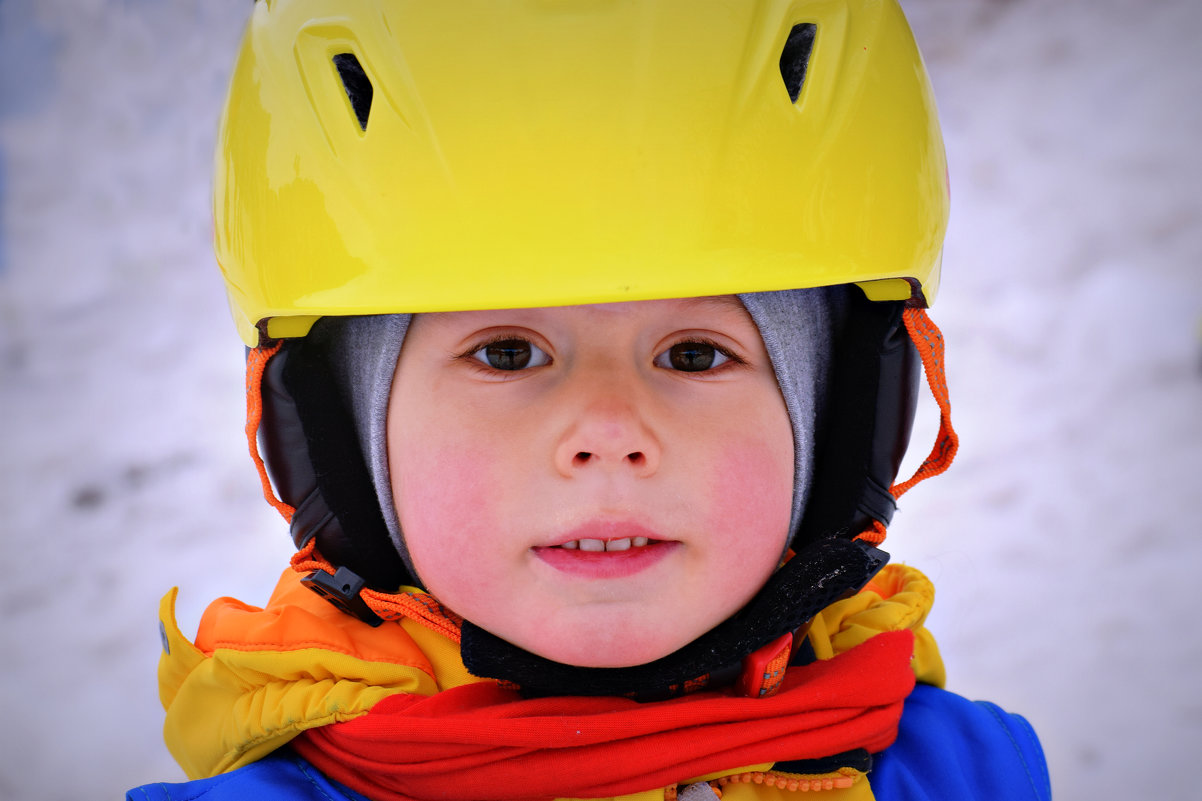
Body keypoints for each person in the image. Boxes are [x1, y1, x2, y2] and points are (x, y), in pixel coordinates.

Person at [129, 1, 1051, 799]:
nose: (609, 435)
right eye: (506, 352)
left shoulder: (973, 780)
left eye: (695, 354)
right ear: (336, 441)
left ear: (846, 425)